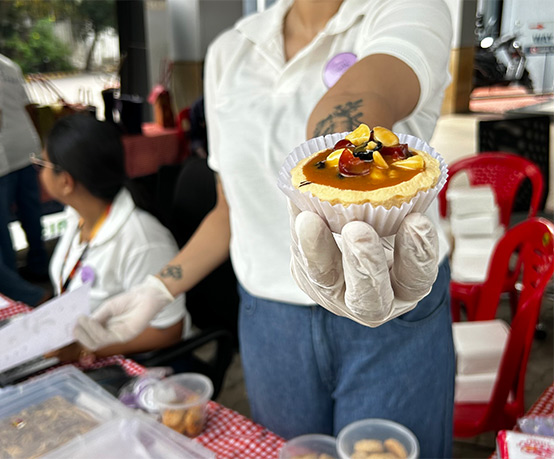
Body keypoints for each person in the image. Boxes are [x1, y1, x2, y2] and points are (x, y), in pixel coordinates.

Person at [72, 0, 456, 454]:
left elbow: (365, 95)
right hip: (270, 323)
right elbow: (229, 208)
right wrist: (159, 288)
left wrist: (342, 160)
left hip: (391, 297)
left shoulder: (405, 10)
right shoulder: (228, 52)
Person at [37, 114, 187, 362]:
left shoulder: (142, 240)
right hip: (80, 341)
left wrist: (87, 350)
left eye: (43, 164)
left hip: (133, 363)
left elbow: (169, 330)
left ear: (66, 182)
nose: (40, 174)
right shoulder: (78, 216)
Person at [0, 53, 49, 281]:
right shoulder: (9, 65)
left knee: (1, 224)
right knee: (30, 210)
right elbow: (29, 107)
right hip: (25, 145)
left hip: (4, 154)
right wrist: (37, 143)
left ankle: (11, 284)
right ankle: (39, 266)